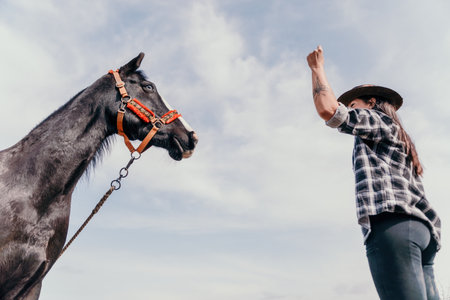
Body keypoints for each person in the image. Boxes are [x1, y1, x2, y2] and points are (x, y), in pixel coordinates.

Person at [306, 45, 441, 300]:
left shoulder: (378, 121)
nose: (352, 109)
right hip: (424, 232)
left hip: (393, 226)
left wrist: (317, 69)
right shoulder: (400, 135)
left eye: (354, 105)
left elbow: (329, 110)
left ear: (371, 103)